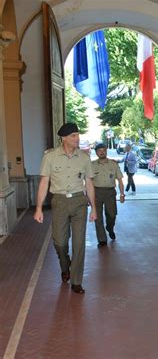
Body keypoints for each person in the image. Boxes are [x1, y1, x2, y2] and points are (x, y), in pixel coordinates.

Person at [33, 123, 96, 294]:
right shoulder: (50, 157)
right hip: (59, 202)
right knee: (60, 242)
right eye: (74, 135)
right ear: (64, 138)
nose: (78, 138)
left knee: (79, 243)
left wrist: (94, 208)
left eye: (78, 135)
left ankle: (76, 281)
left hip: (79, 202)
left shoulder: (84, 157)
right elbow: (44, 183)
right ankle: (64, 264)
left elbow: (89, 183)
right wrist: (38, 208)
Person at [92, 143, 125, 248]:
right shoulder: (91, 165)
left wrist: (122, 194)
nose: (102, 152)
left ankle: (110, 228)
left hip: (110, 192)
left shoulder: (113, 164)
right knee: (98, 217)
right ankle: (102, 240)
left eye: (104, 150)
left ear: (106, 151)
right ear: (96, 152)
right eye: (99, 151)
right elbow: (88, 181)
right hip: (96, 192)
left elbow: (120, 180)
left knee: (112, 214)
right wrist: (87, 195)